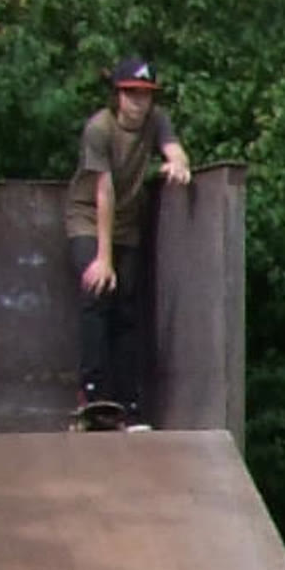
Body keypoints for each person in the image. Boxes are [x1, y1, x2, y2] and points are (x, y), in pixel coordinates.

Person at [65, 55, 191, 429]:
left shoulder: (156, 120)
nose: (139, 102)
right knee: (97, 293)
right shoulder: (99, 129)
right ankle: (92, 394)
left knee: (126, 310)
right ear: (118, 95)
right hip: (89, 217)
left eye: (145, 95)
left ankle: (128, 403)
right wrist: (103, 258)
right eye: (131, 94)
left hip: (127, 224)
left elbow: (174, 148)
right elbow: (103, 192)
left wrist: (178, 164)